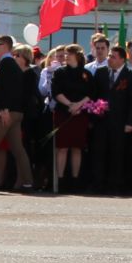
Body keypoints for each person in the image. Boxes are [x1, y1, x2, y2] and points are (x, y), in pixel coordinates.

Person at [0, 35, 35, 193]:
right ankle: (28, 183)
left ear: (5, 45)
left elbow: (7, 89)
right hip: (16, 112)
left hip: (7, 111)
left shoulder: (6, 62)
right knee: (17, 148)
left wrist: (3, 109)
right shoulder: (12, 64)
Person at [94, 42, 132, 193]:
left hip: (120, 122)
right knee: (100, 152)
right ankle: (99, 184)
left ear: (122, 59)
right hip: (102, 120)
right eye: (109, 56)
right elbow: (95, 95)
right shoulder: (101, 72)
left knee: (117, 153)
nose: (109, 59)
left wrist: (130, 122)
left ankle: (115, 184)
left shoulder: (131, 76)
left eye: (113, 57)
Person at [50, 46, 93, 188]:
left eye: (69, 54)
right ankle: (60, 180)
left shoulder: (86, 73)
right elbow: (56, 91)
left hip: (80, 114)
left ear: (77, 55)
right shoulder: (60, 72)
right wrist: (70, 105)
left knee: (77, 147)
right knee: (62, 147)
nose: (66, 56)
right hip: (63, 112)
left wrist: (79, 105)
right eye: (65, 54)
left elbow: (91, 93)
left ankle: (75, 180)